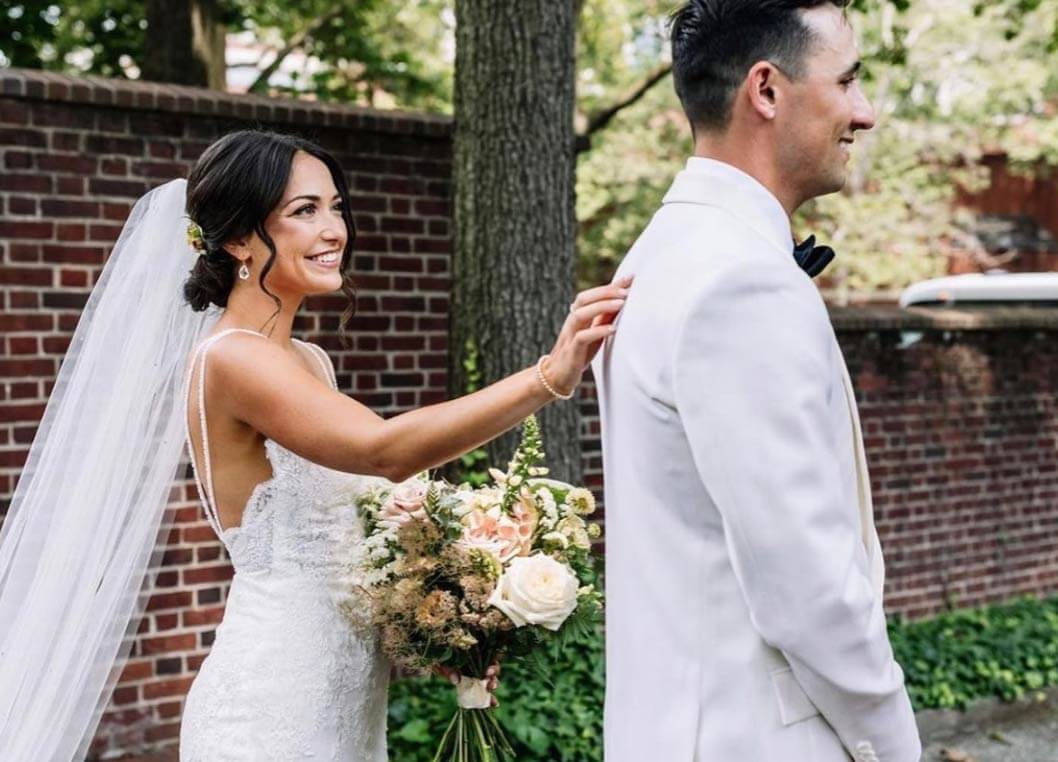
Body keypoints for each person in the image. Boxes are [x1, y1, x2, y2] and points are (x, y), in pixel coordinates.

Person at [0, 129, 628, 761]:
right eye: (305, 211)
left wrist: (440, 634)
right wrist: (551, 375)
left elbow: (348, 544)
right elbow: (386, 452)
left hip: (348, 703)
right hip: (273, 707)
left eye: (334, 207)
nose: (334, 230)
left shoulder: (307, 360)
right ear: (240, 239)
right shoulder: (232, 360)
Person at [592, 2, 921, 761]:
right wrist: (893, 744)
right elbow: (808, 588)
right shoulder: (739, 281)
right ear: (766, 91)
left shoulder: (663, 248)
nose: (864, 114)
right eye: (849, 81)